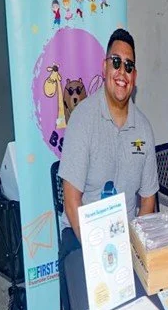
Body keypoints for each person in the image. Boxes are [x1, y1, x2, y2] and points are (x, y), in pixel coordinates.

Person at [59, 28, 158, 255]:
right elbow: (72, 202)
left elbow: (147, 202)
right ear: (104, 68)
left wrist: (133, 249)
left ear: (134, 76)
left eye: (128, 66)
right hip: (81, 236)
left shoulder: (143, 128)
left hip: (126, 239)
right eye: (116, 62)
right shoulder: (82, 119)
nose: (122, 71)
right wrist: (99, 253)